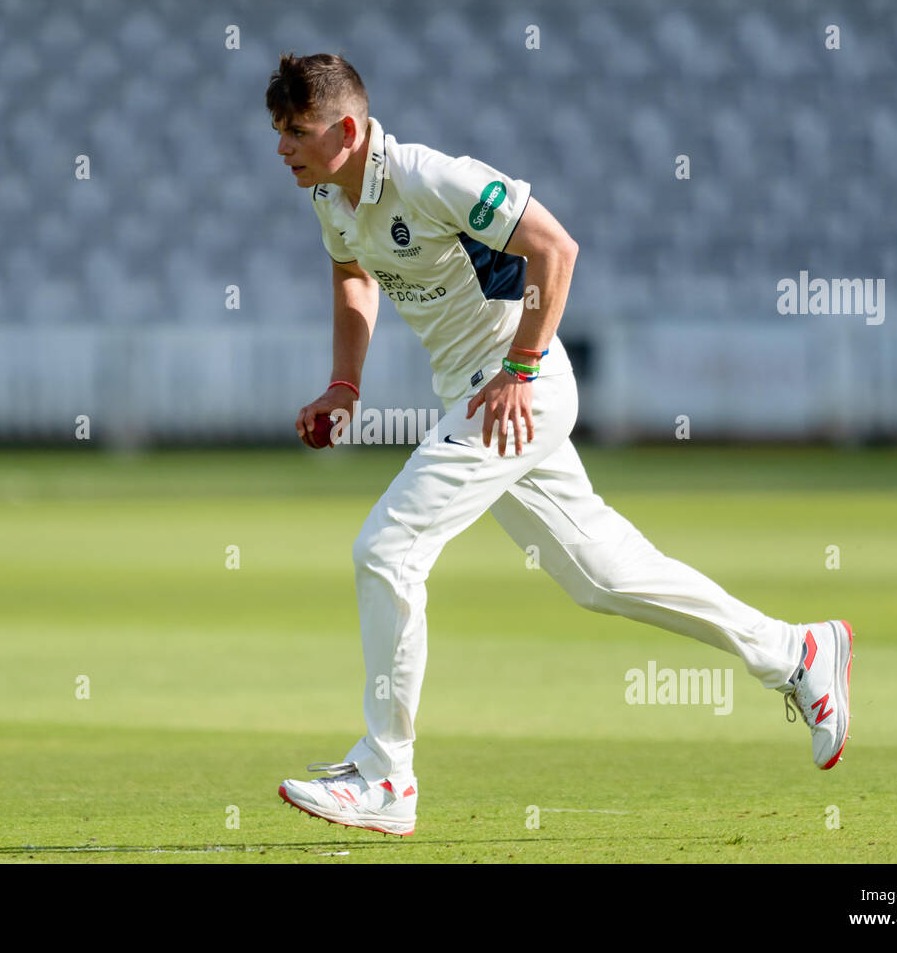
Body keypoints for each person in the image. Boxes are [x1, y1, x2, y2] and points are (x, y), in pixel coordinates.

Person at [267, 53, 852, 837]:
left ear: (346, 128)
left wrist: (519, 367)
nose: (282, 148)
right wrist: (345, 384)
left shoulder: (432, 176)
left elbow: (556, 248)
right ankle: (795, 651)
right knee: (601, 575)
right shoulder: (331, 194)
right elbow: (352, 276)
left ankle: (386, 774)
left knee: (387, 549)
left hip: (517, 389)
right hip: (477, 395)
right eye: (277, 131)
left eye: (296, 131)